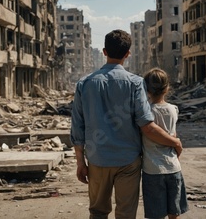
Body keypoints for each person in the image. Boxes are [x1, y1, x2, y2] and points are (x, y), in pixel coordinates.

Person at [70, 29, 182, 219]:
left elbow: (77, 126)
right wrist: (174, 142)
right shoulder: (136, 83)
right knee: (126, 214)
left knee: (97, 212)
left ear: (105, 52)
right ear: (128, 54)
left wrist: (80, 161)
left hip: (97, 159)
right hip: (128, 162)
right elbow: (146, 126)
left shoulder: (85, 84)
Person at [142, 68, 189, 219]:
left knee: (156, 215)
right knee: (174, 213)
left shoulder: (146, 112)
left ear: (146, 89)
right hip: (174, 168)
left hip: (153, 170)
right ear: (167, 88)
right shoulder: (173, 109)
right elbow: (174, 138)